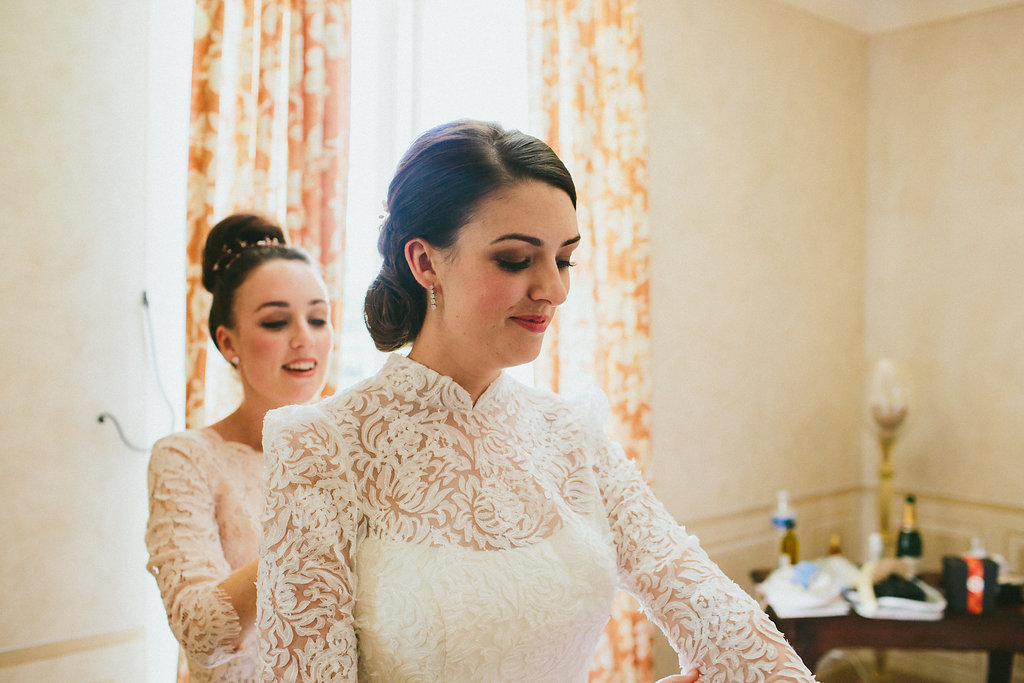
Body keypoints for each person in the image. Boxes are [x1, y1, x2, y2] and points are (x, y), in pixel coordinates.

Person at [256, 120, 815, 682]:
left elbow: (714, 610)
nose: (554, 289)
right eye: (516, 260)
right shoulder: (320, 448)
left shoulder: (571, 434)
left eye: (565, 259)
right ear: (425, 262)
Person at [146, 214, 333, 683]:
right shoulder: (186, 458)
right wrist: (303, 541)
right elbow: (199, 632)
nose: (304, 340)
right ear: (229, 342)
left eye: (318, 318)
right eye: (275, 321)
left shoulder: (352, 451)